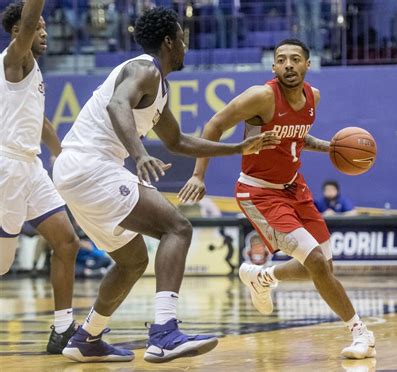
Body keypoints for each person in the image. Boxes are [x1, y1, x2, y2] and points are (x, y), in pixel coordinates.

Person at [53, 7, 279, 363]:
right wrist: (139, 154)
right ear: (169, 41)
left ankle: (87, 337)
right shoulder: (143, 68)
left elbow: (178, 142)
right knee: (178, 227)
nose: (186, 45)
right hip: (90, 166)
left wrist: (237, 147)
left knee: (132, 261)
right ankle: (164, 333)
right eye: (183, 37)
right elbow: (116, 105)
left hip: (77, 172)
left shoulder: (159, 87)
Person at [179, 38, 376, 360]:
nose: (288, 65)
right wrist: (198, 175)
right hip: (258, 191)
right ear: (273, 67)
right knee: (314, 261)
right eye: (281, 59)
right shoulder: (261, 97)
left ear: (307, 65)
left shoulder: (314, 97)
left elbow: (296, 136)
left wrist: (330, 147)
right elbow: (214, 125)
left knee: (323, 266)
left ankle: (263, 276)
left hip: (294, 187)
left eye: (295, 59)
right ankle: (361, 332)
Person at [0, 0, 80, 354]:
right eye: (39, 27)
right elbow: (30, 17)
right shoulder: (13, 60)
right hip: (7, 168)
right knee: (1, 267)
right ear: (20, 33)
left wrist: (61, 155)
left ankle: (63, 329)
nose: (44, 32)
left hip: (31, 168)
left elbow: (41, 121)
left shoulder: (31, 72)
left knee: (67, 242)